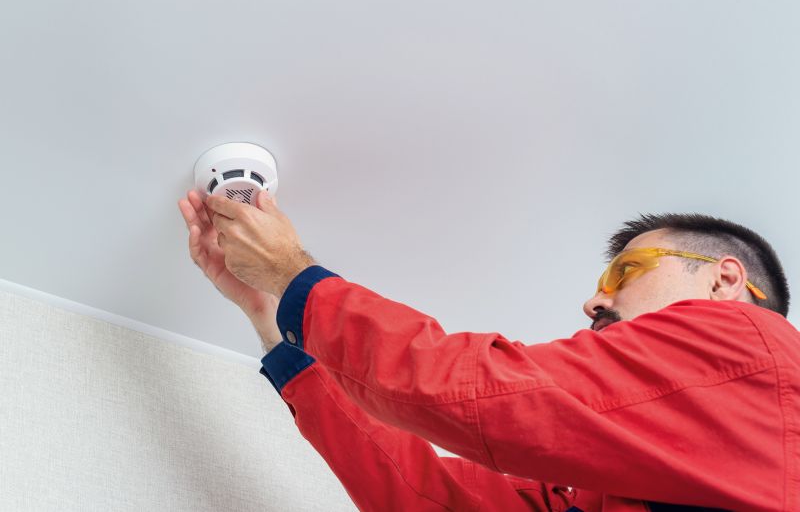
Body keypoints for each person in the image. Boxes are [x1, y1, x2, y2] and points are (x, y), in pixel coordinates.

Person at [178, 190, 798, 512]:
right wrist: (276, 321)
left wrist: (295, 276)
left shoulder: (755, 349)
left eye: (624, 273)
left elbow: (478, 390)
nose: (593, 301)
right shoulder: (608, 489)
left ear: (725, 280)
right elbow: (426, 497)